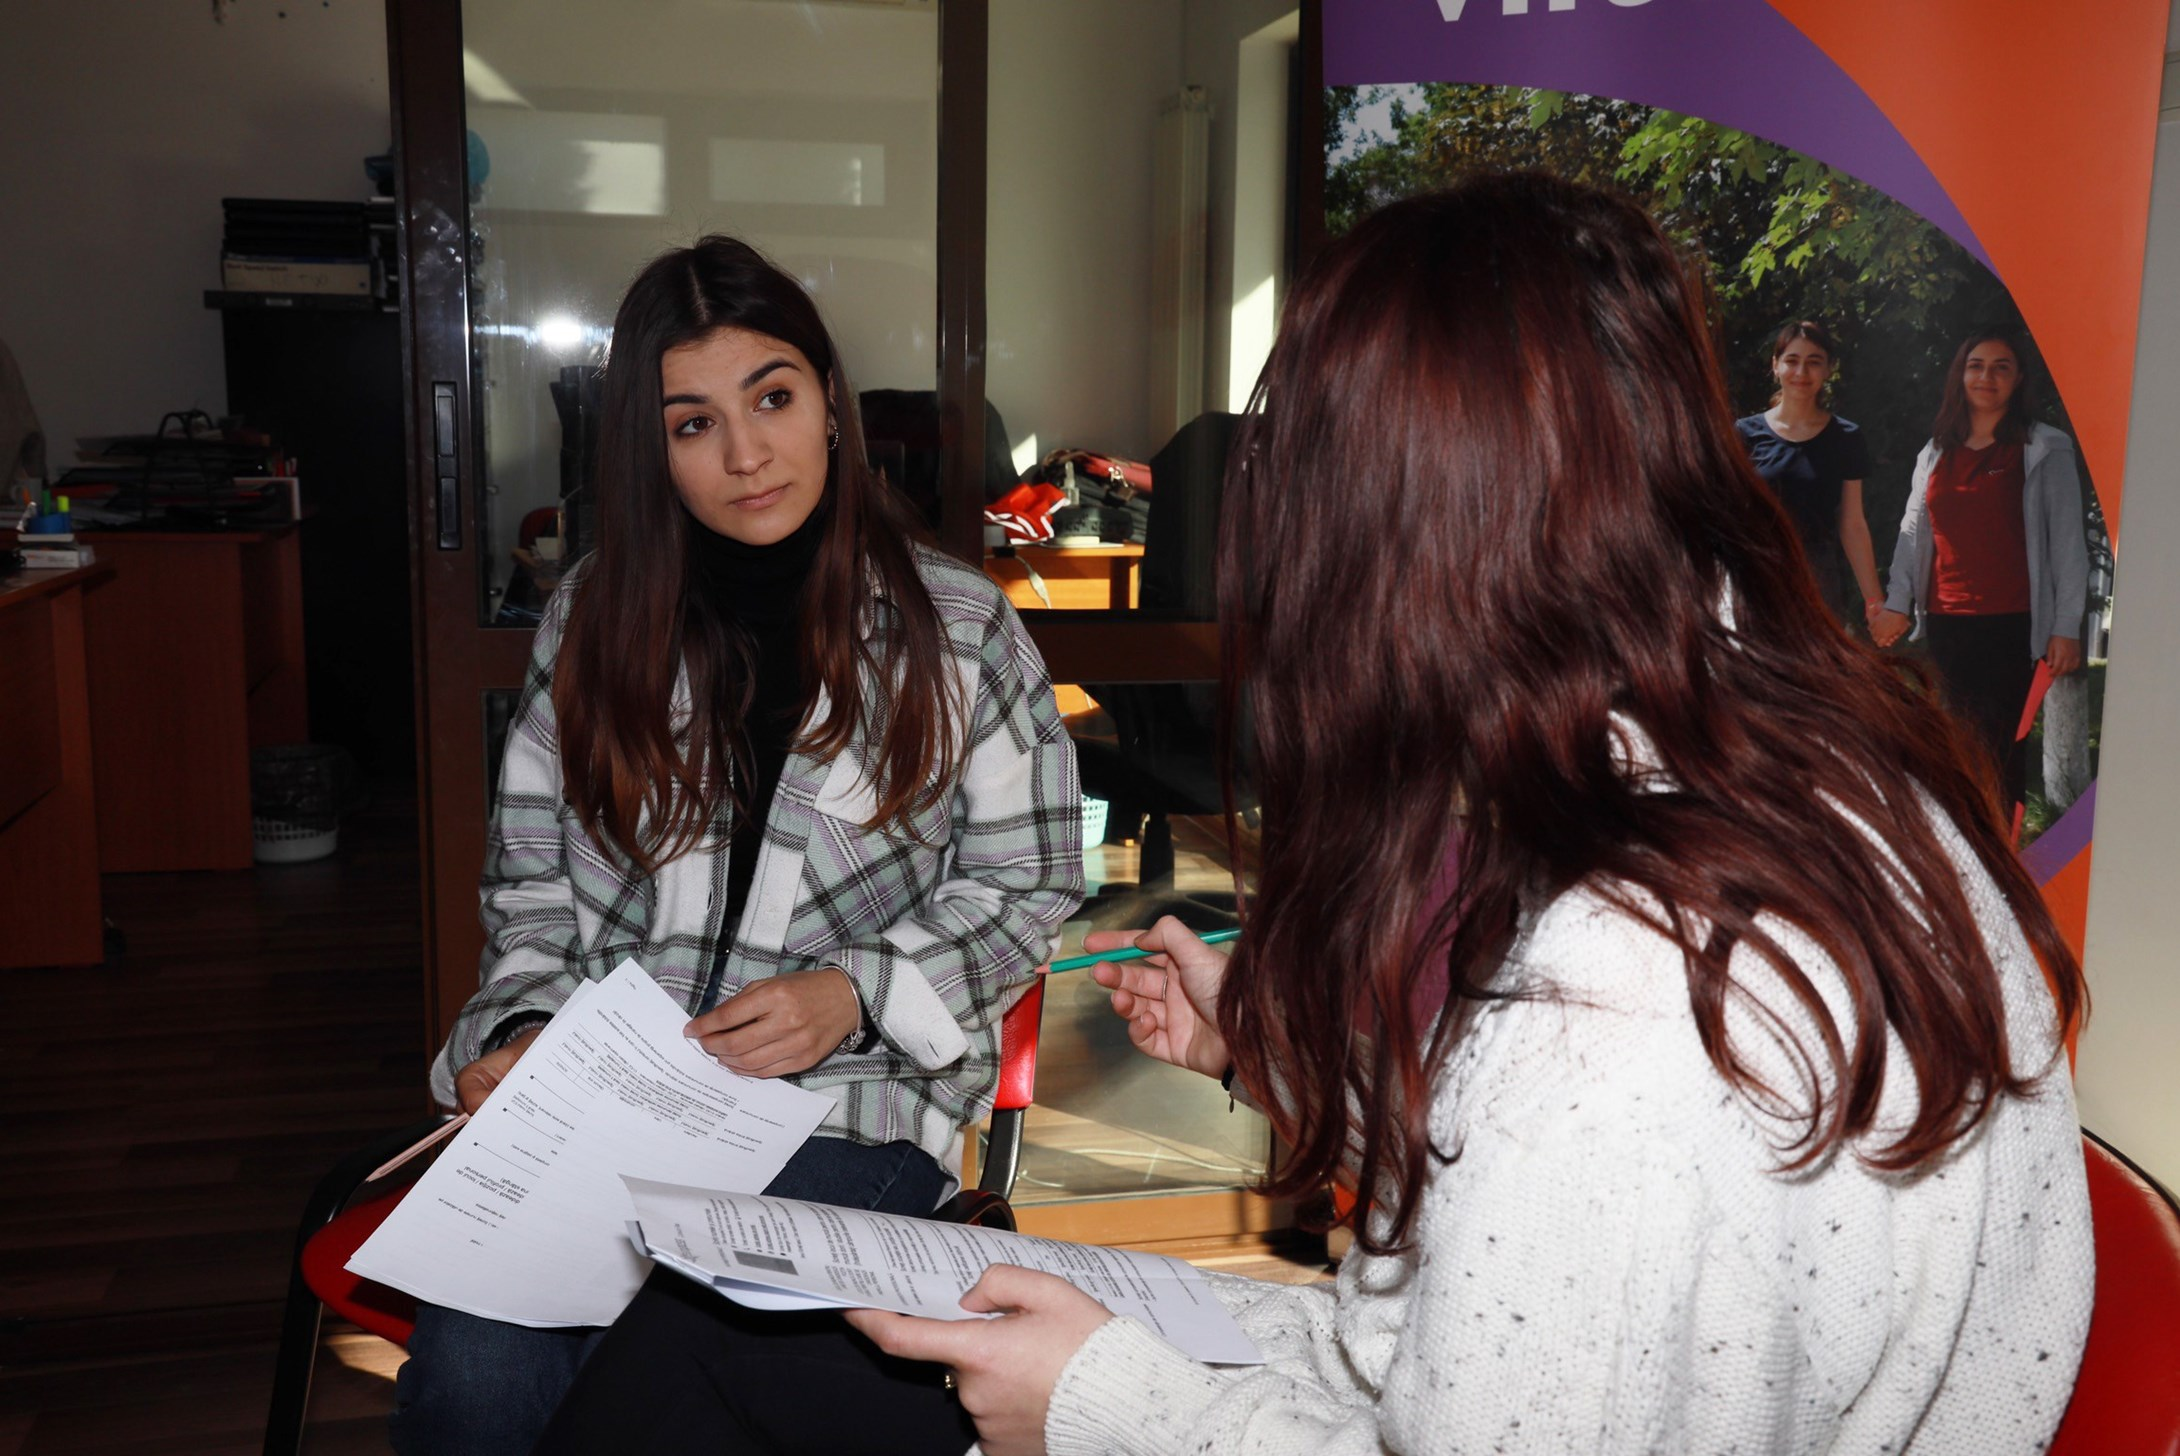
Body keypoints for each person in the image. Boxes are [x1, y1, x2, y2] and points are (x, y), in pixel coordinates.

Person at [536, 176, 2093, 1455]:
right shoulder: (1806, 778)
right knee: (719, 1341)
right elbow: (1514, 1283)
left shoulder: (1622, 1026)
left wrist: (1100, 1397)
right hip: (1366, 1372)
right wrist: (1283, 1046)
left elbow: (1547, 1230)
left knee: (714, 1361)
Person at [389, 236, 1084, 1456]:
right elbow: (532, 893)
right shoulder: (593, 621)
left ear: (829, 402)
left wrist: (854, 993)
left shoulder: (958, 627)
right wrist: (515, 1035)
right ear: (648, 451)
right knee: (471, 1382)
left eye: (772, 397)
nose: (747, 453)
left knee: (664, 1388)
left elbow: (1029, 881)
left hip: (846, 1122)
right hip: (608, 1124)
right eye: (693, 422)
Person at [1870, 329, 2090, 817]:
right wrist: (1895, 602)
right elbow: (1912, 531)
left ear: (2018, 380)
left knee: (2001, 748)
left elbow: (2068, 544)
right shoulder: (1934, 452)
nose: (1986, 376)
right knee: (1956, 745)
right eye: (1976, 365)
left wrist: (2065, 626)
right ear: (1960, 375)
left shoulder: (2044, 448)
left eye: (2001, 366)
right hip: (1947, 623)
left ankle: (2003, 855)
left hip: (2014, 624)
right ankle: (1968, 847)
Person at [1734, 320, 1884, 633]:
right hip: (1758, 582)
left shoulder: (1846, 437)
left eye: (1814, 362)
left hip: (1819, 585)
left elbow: (1853, 524)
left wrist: (1874, 599)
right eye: (1792, 360)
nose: (1801, 373)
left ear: (1829, 369)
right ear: (1776, 366)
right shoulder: (1743, 434)